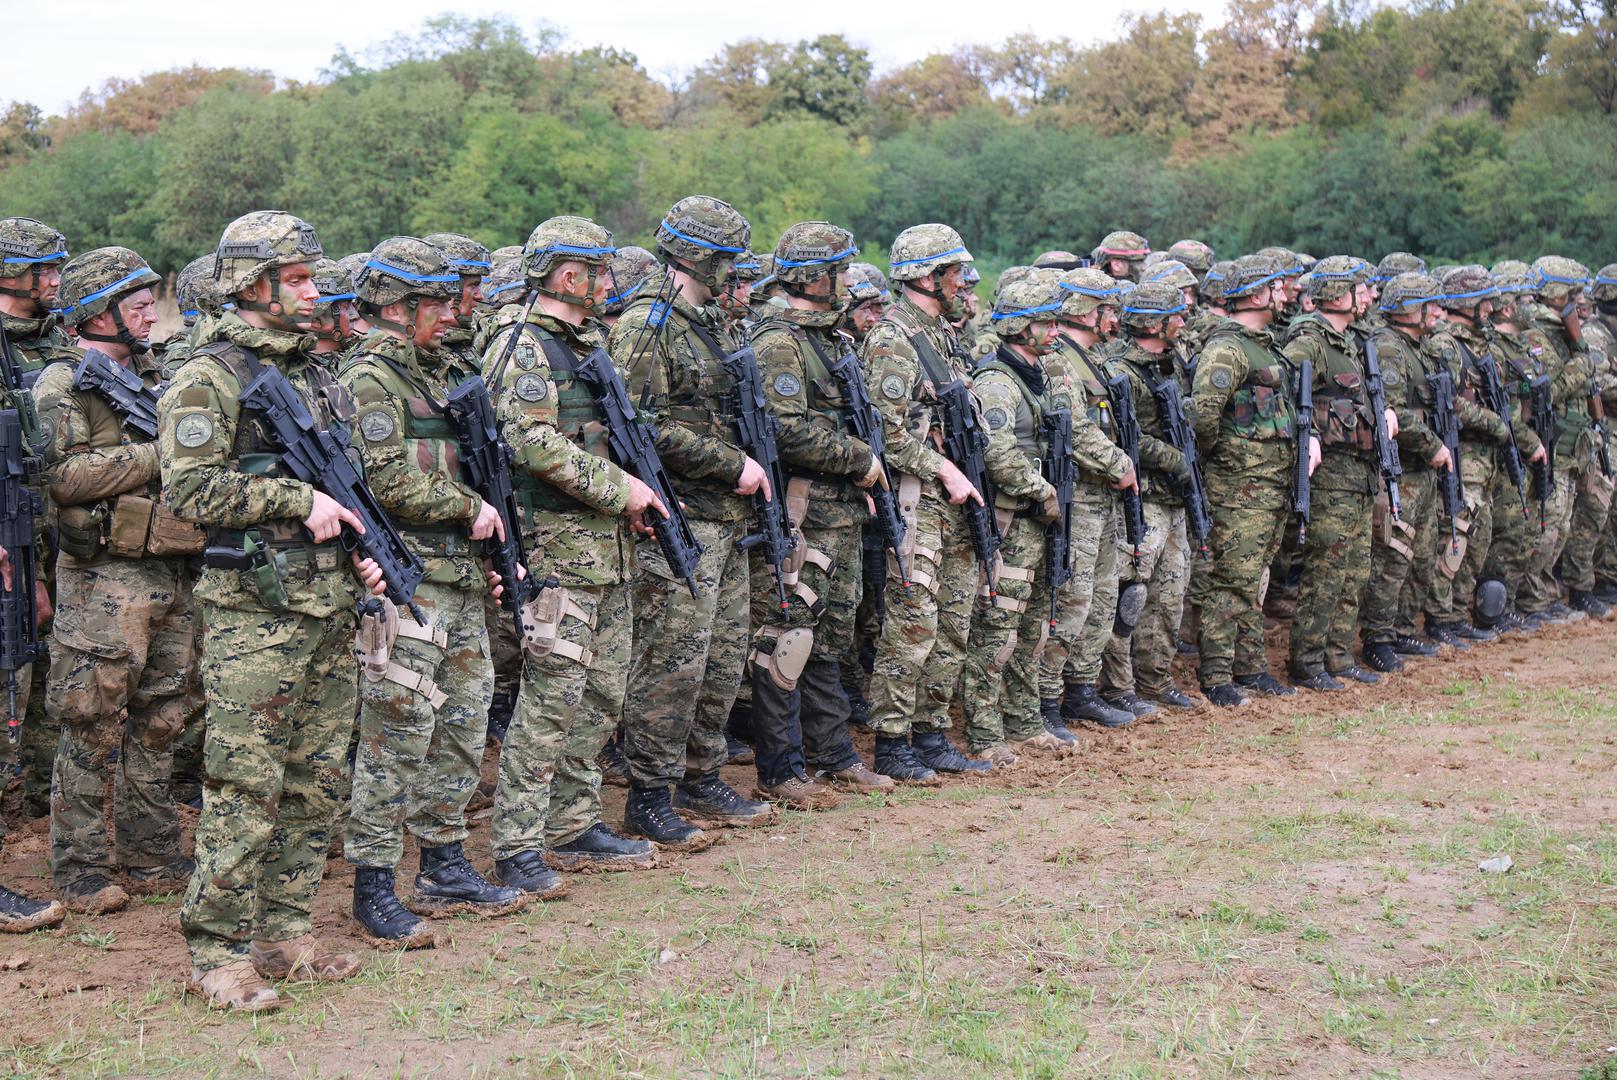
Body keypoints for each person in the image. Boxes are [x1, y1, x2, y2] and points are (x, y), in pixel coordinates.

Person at [162, 210, 383, 1011]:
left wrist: (368, 555)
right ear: (254, 286)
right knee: (243, 785)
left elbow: (349, 484)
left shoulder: (317, 372)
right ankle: (217, 951)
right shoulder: (207, 376)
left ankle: (285, 935)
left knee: (314, 782)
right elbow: (186, 490)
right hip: (257, 615)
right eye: (297, 279)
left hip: (325, 604)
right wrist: (297, 498)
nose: (314, 292)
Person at [477, 217, 702, 873]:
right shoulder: (523, 348)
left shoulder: (584, 344)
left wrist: (637, 498)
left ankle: (572, 824)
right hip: (558, 553)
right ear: (570, 275)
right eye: (600, 270)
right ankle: (518, 842)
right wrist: (621, 491)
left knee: (600, 695)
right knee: (550, 699)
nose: (609, 282)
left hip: (605, 552)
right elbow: (531, 443)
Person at [340, 236, 526, 944]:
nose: (451, 313)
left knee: (463, 720)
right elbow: (383, 479)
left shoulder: (437, 370)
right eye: (436, 303)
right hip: (406, 582)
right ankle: (374, 885)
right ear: (396, 306)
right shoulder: (370, 379)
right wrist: (466, 509)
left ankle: (443, 862)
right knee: (397, 734)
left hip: (454, 577)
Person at [40, 247, 204, 914]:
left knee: (162, 717)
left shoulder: (155, 375)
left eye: (146, 299)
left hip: (168, 568)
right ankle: (80, 864)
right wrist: (160, 450)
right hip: (101, 578)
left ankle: (151, 849)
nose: (146, 309)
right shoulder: (61, 386)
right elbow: (63, 477)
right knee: (89, 721)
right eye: (130, 302)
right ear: (91, 315)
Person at [610, 197, 783, 812]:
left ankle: (701, 773)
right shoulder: (647, 324)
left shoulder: (710, 321)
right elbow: (637, 426)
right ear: (699, 257)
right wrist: (732, 463)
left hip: (727, 520)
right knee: (673, 664)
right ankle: (651, 791)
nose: (736, 273)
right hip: (682, 516)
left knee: (722, 655)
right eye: (727, 260)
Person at [744, 221, 899, 803]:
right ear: (812, 277)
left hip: (842, 514)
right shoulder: (779, 340)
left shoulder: (828, 337)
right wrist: (860, 459)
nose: (845, 280)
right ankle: (780, 768)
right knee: (789, 637)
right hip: (804, 513)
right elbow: (784, 431)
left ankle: (833, 754)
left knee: (829, 639)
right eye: (837, 271)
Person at [858, 224, 989, 783]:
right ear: (926, 277)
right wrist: (944, 469)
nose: (962, 281)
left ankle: (932, 733)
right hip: (920, 501)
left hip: (956, 501)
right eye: (953, 271)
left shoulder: (940, 335)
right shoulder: (893, 339)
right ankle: (891, 740)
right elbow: (883, 434)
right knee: (914, 624)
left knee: (955, 621)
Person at [1190, 254, 1315, 706]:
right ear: (1258, 294)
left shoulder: (1263, 343)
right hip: (1240, 487)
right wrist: (1228, 463)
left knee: (1254, 580)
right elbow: (1203, 418)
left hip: (1268, 485)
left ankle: (1251, 667)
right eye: (1276, 289)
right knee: (1232, 581)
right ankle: (1218, 675)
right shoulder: (1228, 348)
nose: (1284, 295)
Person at [961, 273, 1065, 755]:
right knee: (998, 628)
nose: (1056, 330)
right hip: (1014, 520)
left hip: (1039, 522)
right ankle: (984, 731)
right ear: (1022, 328)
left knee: (1034, 627)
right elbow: (998, 453)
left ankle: (1024, 720)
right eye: (1046, 322)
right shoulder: (998, 382)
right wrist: (1042, 491)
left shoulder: (1034, 377)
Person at [1040, 268, 1141, 732]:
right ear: (1088, 310)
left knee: (1101, 598)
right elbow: (1076, 430)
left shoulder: (1091, 358)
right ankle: (1045, 699)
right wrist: (1120, 464)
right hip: (1079, 496)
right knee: (1071, 601)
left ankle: (1081, 690)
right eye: (1108, 308)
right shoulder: (1061, 360)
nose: (1115, 317)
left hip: (1101, 499)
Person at [1282, 257, 1388, 690]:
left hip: (1359, 476)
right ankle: (1307, 660)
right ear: (1338, 295)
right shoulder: (1309, 341)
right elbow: (1285, 394)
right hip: (1329, 480)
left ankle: (1338, 654)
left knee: (1354, 570)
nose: (1367, 297)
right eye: (1359, 289)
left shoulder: (1351, 342)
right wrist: (1309, 436)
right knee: (1326, 573)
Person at [0, 216, 70, 823]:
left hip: (59, 523)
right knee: (11, 656)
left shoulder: (61, 342)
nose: (55, 279)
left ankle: (41, 795)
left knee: (55, 658)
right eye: (43, 268)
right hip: (9, 525)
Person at [1099, 280, 1196, 712]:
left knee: (1169, 597)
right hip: (1142, 500)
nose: (1183, 321)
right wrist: (1174, 458)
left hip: (1172, 500)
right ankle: (1117, 688)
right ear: (1154, 323)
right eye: (1175, 315)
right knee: (1129, 598)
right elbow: (1126, 436)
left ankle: (1155, 678)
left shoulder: (1170, 364)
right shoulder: (1123, 370)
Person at [1358, 273, 1452, 674]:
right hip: (1403, 472)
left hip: (1422, 473)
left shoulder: (1419, 347)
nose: (1439, 312)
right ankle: (1377, 638)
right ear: (1412, 308)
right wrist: (1433, 445)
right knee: (1392, 559)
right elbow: (1393, 411)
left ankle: (1398, 627)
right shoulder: (1389, 347)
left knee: (1423, 556)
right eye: (1431, 304)